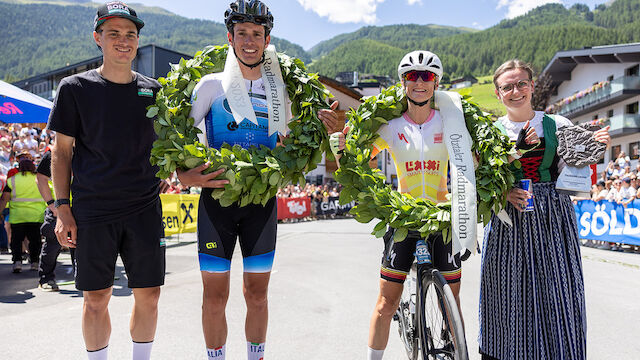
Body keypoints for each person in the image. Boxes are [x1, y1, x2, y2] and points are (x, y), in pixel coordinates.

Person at [176, 1, 340, 359]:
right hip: (216, 202)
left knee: (257, 294)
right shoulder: (210, 86)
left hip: (260, 204)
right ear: (230, 37)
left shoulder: (282, 91)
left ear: (267, 39)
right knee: (215, 297)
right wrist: (183, 175)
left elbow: (301, 142)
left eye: (256, 33)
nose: (249, 41)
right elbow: (177, 138)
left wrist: (327, 127)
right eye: (242, 33)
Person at [329, 50, 514, 360]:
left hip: (443, 219)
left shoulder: (451, 122)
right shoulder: (390, 126)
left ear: (436, 82)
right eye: (411, 76)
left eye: (426, 76)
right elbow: (356, 161)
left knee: (451, 302)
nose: (419, 82)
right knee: (386, 303)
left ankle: (456, 349)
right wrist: (341, 149)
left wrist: (498, 162)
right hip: (404, 219)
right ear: (403, 82)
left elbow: (479, 160)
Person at [48, 2, 168, 359]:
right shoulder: (75, 88)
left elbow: (166, 144)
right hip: (93, 209)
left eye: (130, 34)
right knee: (96, 298)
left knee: (149, 295)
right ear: (97, 38)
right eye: (113, 33)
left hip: (145, 208)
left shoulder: (153, 90)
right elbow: (61, 153)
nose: (123, 41)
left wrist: (163, 171)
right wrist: (62, 209)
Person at [479, 59, 611, 360]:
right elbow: (479, 180)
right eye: (507, 86)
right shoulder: (488, 133)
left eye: (521, 83)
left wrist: (594, 148)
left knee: (558, 291)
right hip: (507, 220)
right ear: (498, 93)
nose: (516, 91)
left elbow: (573, 173)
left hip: (552, 217)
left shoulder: (558, 124)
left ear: (532, 86)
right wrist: (503, 192)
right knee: (508, 291)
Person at [0, 158, 46, 273]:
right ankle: (35, 262)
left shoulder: (12, 180)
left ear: (19, 168)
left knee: (16, 240)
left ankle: (17, 262)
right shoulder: (38, 179)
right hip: (36, 215)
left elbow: (4, 198)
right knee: (35, 240)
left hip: (18, 216)